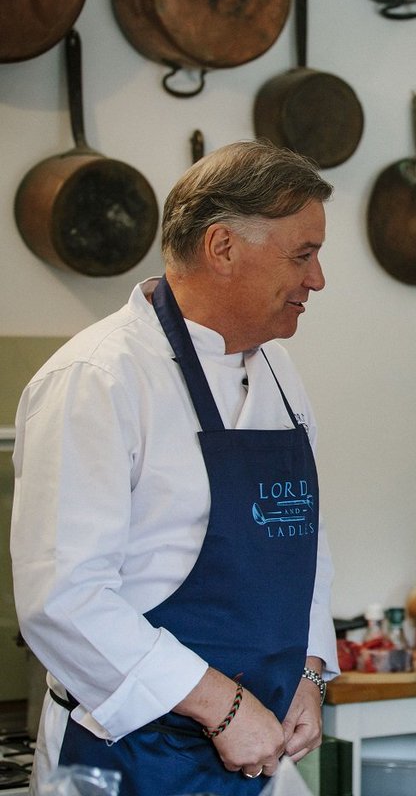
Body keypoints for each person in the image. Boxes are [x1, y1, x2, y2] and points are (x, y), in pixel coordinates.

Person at [11, 140, 338, 796]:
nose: (318, 280)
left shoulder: (277, 370)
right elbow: (64, 600)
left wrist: (310, 668)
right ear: (222, 247)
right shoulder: (97, 379)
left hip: (259, 753)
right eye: (302, 255)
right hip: (130, 755)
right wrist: (221, 705)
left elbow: (300, 542)